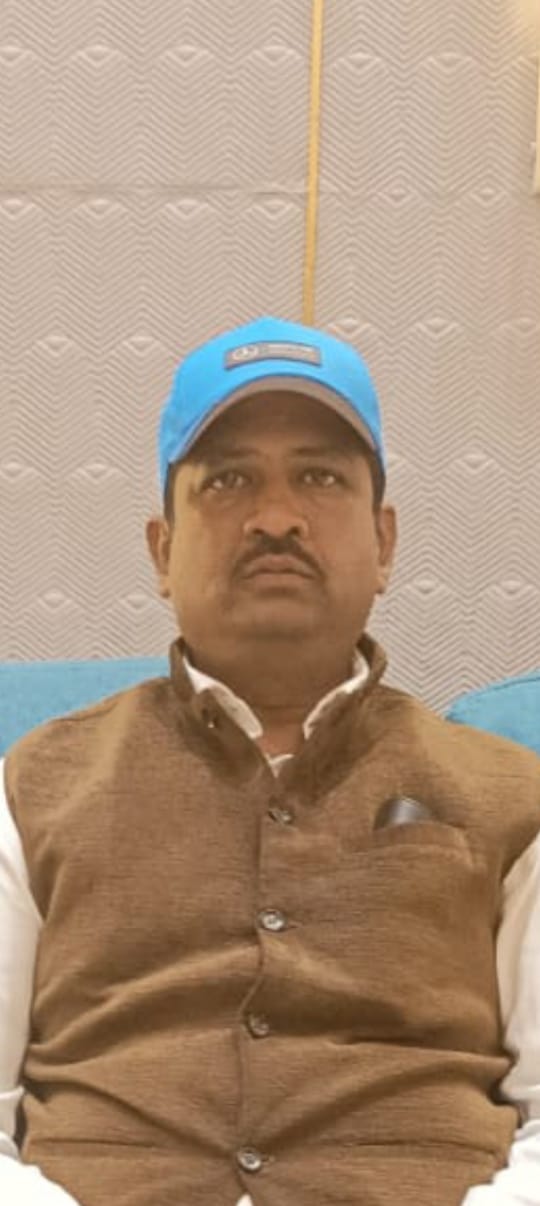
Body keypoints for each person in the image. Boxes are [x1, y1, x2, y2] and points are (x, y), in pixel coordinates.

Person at [1, 315, 540, 1206]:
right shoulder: (34, 784)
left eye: (321, 477)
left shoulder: (514, 798)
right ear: (162, 550)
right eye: (228, 480)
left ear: (385, 544)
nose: (277, 517)